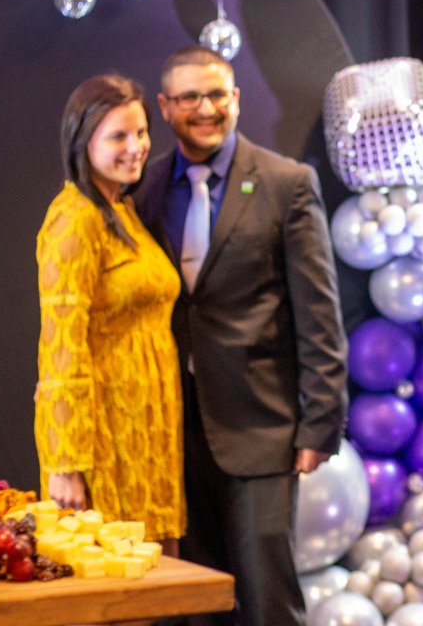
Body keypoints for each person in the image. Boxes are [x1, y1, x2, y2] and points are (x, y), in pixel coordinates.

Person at [134, 47, 348, 626]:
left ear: (236, 99)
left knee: (267, 600)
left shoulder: (286, 183)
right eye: (189, 98)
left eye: (217, 95)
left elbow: (320, 316)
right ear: (166, 106)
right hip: (174, 435)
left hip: (262, 430)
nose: (205, 108)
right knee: (195, 603)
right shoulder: (145, 190)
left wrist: (319, 423)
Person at [35, 74, 185, 555]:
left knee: (155, 586)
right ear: (84, 141)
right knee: (116, 591)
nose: (136, 146)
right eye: (118, 135)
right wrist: (65, 462)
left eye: (141, 132)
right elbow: (61, 345)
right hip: (103, 440)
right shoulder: (74, 218)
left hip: (147, 432)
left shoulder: (121, 210)